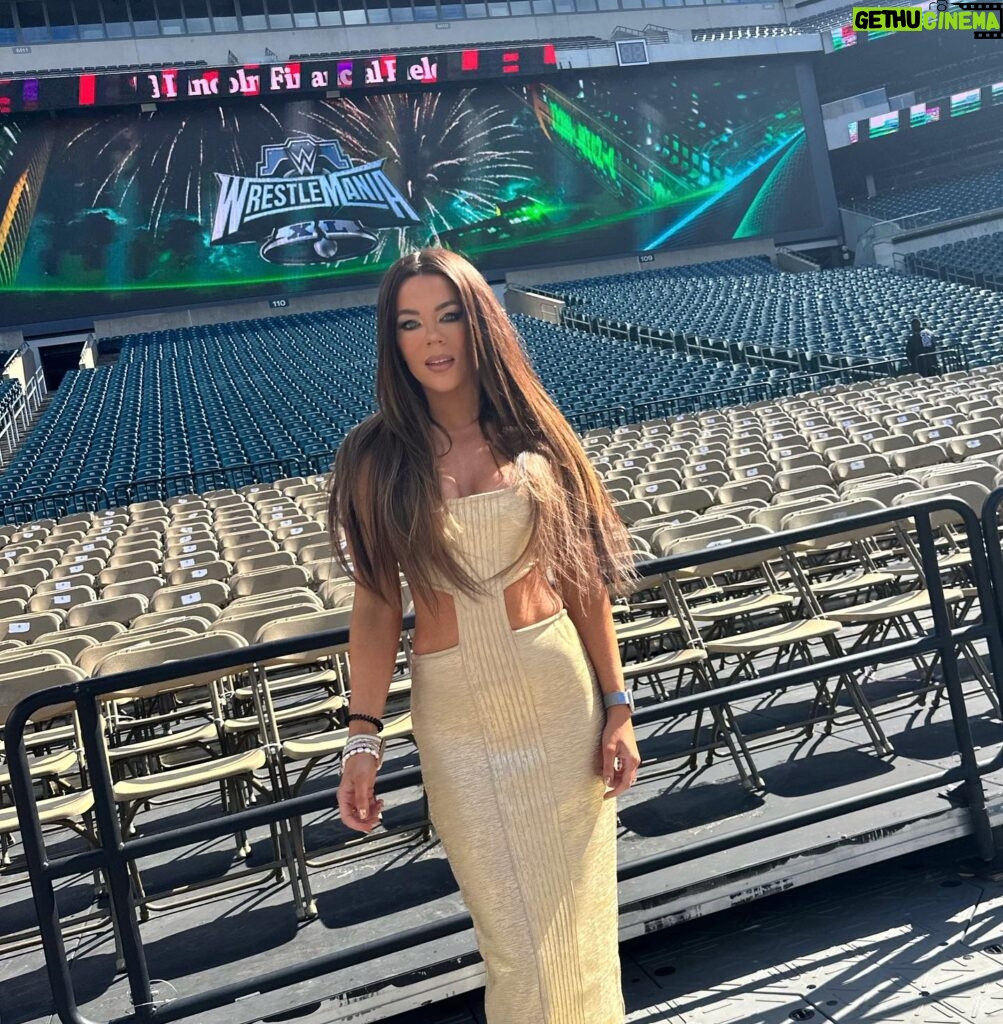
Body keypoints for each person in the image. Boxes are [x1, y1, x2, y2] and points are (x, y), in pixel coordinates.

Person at [328, 247, 640, 1023]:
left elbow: (583, 583)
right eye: (409, 323)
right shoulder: (373, 457)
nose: (431, 338)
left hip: (557, 699)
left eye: (448, 315)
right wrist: (362, 737)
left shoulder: (536, 438)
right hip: (456, 719)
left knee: (579, 926)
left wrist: (617, 703)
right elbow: (374, 606)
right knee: (513, 939)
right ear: (391, 341)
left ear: (479, 323)